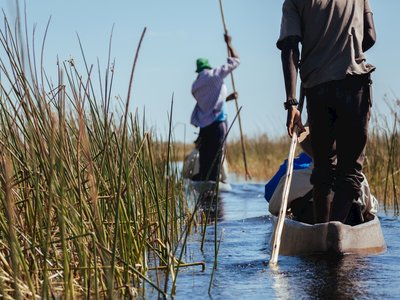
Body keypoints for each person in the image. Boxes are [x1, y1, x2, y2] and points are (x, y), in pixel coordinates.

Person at [277, 0, 376, 223]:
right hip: (353, 82)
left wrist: (292, 103)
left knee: (323, 171)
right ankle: (335, 229)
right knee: (349, 172)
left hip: (317, 88)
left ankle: (323, 230)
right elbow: (370, 35)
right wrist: (343, 48)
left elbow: (289, 47)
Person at [265, 131, 379, 225]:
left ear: (310, 150)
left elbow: (274, 209)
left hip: (309, 239)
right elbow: (372, 210)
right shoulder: (360, 179)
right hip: (349, 239)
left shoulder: (292, 180)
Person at [190, 33, 240, 182]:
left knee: (205, 160)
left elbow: (209, 103)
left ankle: (204, 193)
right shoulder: (215, 75)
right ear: (208, 67)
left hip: (204, 127)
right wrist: (229, 44)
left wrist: (228, 98)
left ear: (198, 71)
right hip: (218, 124)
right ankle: (214, 194)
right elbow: (236, 61)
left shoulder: (195, 86)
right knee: (216, 159)